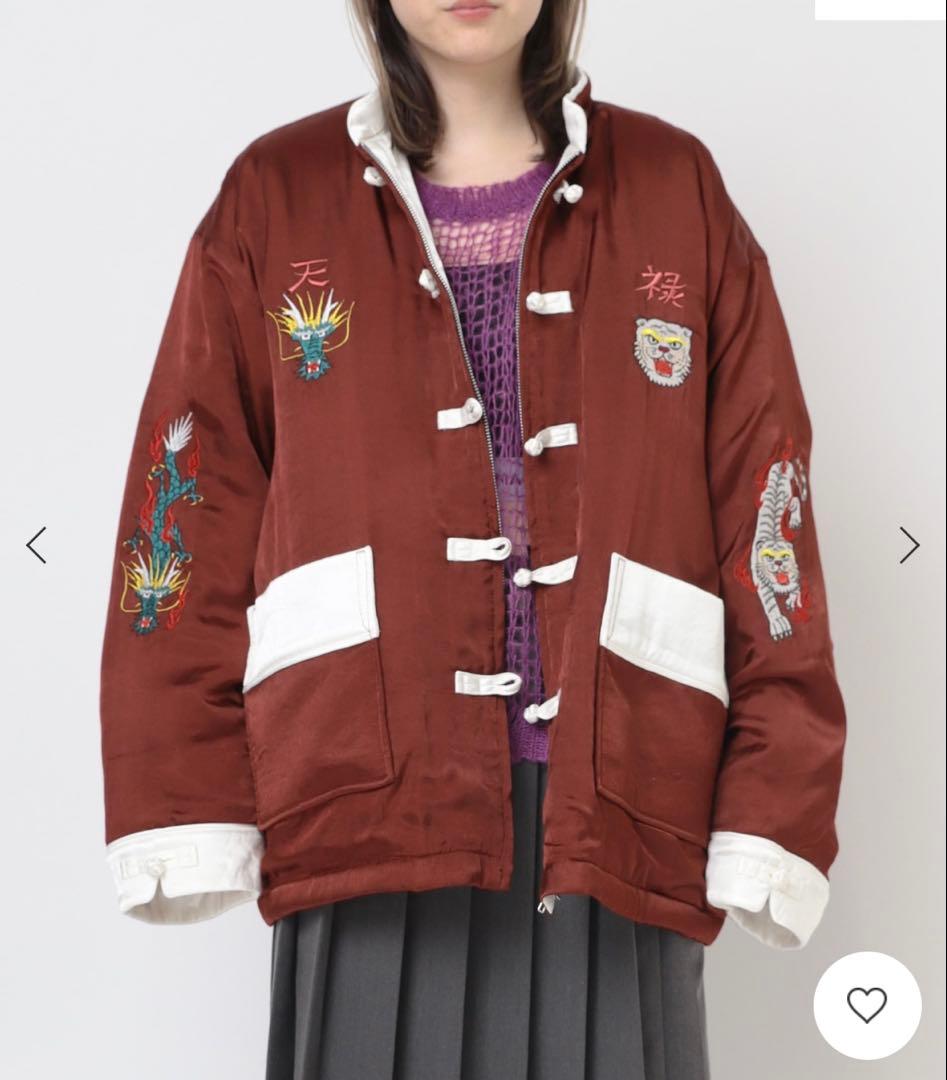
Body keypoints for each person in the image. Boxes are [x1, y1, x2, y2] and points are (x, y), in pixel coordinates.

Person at [98, 2, 847, 1077]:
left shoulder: (673, 189)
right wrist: (180, 793)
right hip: (362, 803)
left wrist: (775, 802)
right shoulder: (275, 195)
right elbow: (182, 508)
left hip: (617, 802)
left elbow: (767, 506)